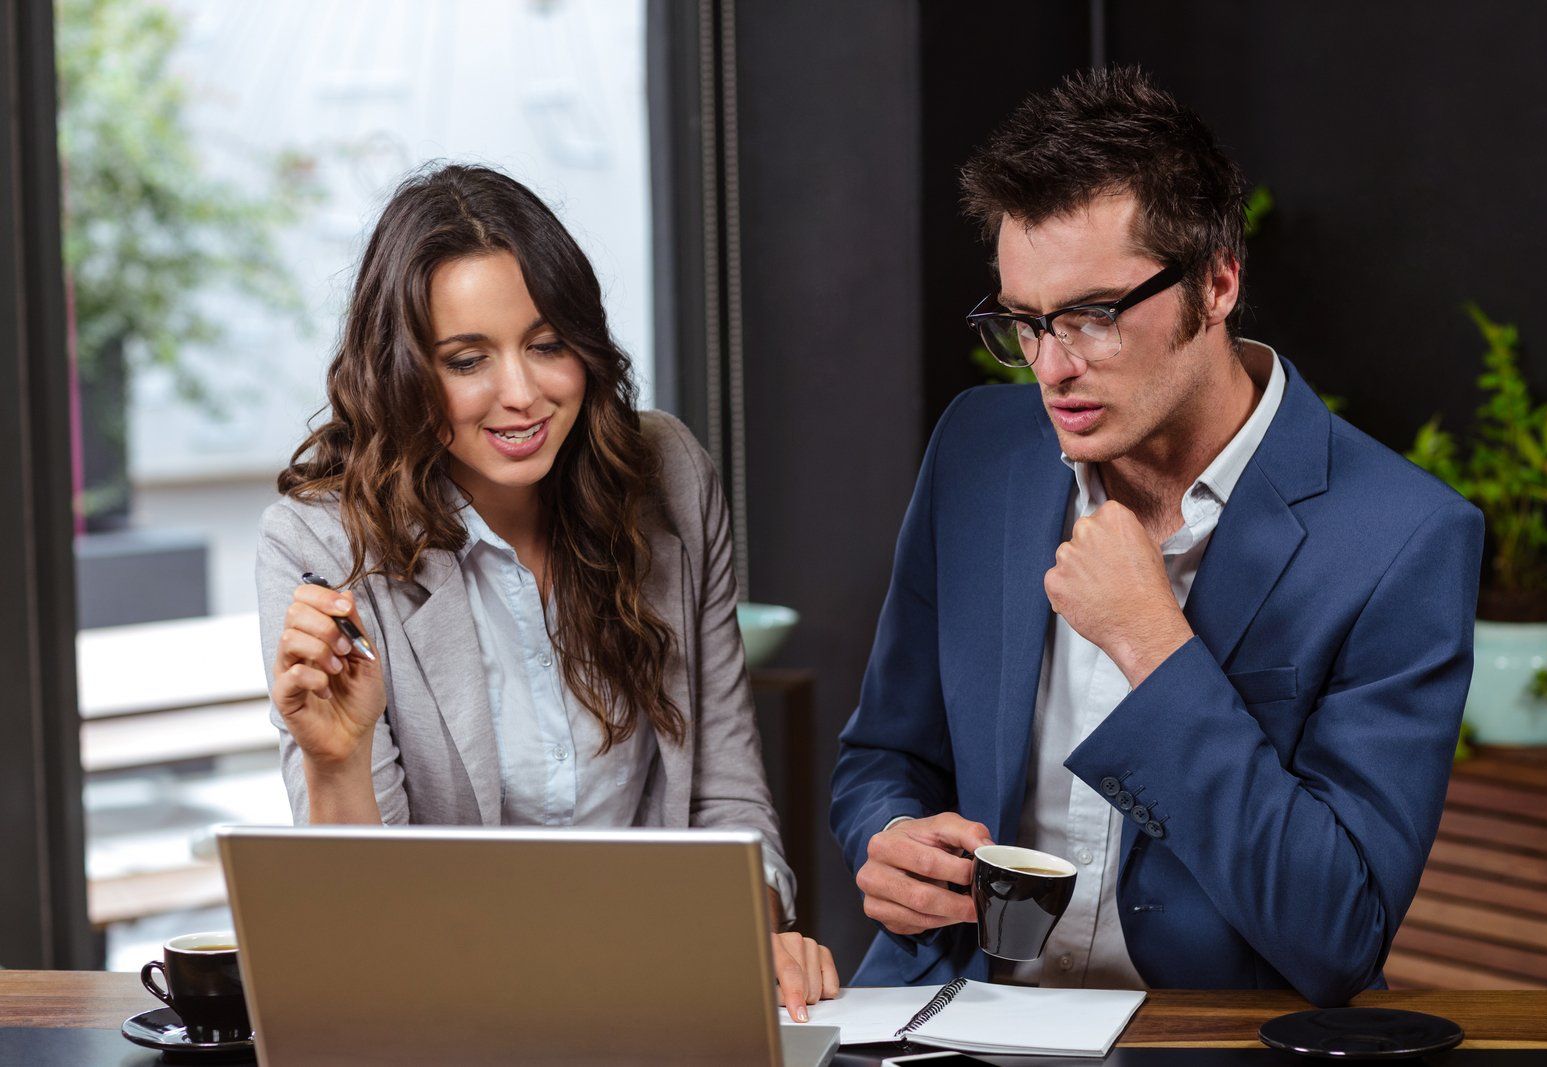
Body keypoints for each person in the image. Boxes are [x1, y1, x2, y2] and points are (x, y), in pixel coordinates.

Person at [830, 67, 1483, 1007]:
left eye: (1093, 317)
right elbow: (883, 757)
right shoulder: (977, 451)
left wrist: (1152, 641)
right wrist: (886, 837)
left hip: (1203, 1032)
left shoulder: (1404, 538)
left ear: (1217, 283)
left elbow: (1338, 933)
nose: (1052, 368)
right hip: (957, 1001)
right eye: (1024, 322)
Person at [255, 164, 837, 1021]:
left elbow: (727, 797)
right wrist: (335, 759)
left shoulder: (667, 474)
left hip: (662, 996)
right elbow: (359, 927)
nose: (521, 393)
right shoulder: (319, 542)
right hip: (451, 1013)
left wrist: (748, 933)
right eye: (466, 360)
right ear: (403, 372)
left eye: (547, 343)